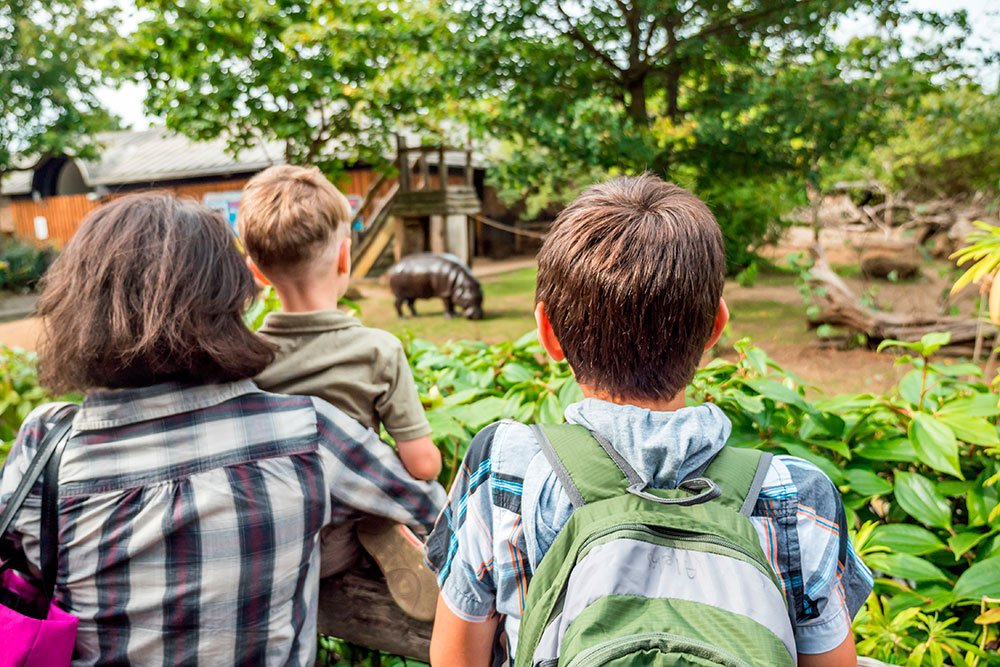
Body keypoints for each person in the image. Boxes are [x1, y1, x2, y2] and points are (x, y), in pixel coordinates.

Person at [425, 175, 873, 666]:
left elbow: (456, 657)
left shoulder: (503, 468)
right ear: (715, 328)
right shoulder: (797, 495)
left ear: (547, 333)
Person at [0, 192, 445, 665]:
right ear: (229, 295)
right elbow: (435, 514)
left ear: (77, 303)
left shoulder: (47, 443)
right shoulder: (307, 432)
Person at [239, 165, 442, 619]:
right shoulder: (378, 351)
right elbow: (422, 464)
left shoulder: (248, 358)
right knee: (381, 490)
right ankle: (380, 525)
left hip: (275, 538)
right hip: (339, 541)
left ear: (257, 272)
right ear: (345, 257)